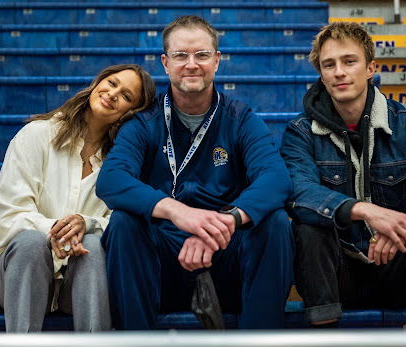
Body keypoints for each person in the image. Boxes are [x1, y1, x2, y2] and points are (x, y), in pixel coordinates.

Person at [97, 15, 294, 330]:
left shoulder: (240, 119)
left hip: (224, 257)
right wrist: (178, 213)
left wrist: (224, 224)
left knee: (275, 222)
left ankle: (258, 339)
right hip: (162, 260)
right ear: (165, 62)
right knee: (122, 223)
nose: (191, 64)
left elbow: (276, 178)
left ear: (216, 61)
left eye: (201, 55)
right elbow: (111, 179)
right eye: (180, 56)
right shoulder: (143, 123)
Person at [280, 22, 406, 328]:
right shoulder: (300, 131)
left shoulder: (405, 125)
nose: (339, 72)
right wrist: (365, 212)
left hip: (397, 266)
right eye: (329, 65)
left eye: (349, 61)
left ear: (370, 68)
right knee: (307, 230)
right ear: (321, 75)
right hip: (339, 272)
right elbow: (299, 193)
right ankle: (325, 337)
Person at [0, 64, 156, 332]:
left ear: (132, 112)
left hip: (80, 283)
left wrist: (86, 224)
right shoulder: (37, 135)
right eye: (112, 82)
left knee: (93, 247)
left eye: (127, 96)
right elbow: (7, 219)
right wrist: (58, 232)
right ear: (98, 82)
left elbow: (123, 225)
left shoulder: (122, 161)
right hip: (21, 277)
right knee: (29, 243)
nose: (113, 93)